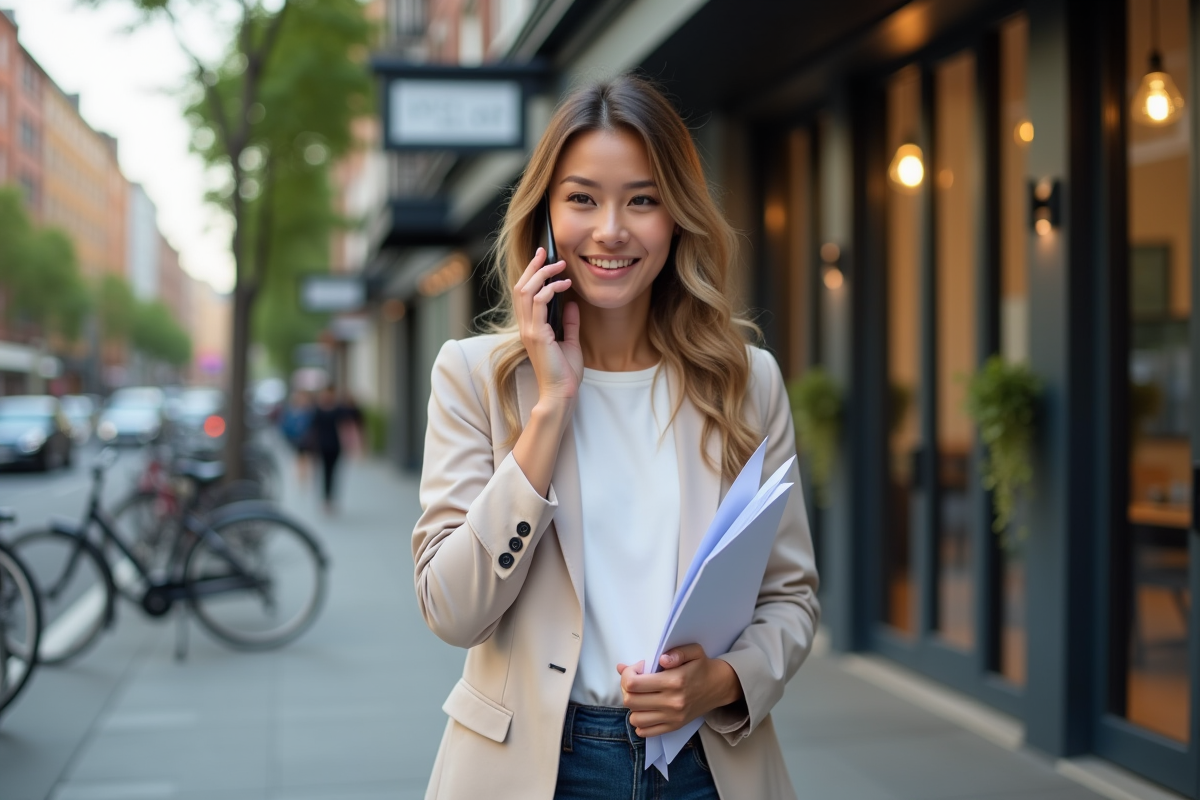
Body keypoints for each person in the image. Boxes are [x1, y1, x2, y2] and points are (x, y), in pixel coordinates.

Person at [412, 74, 819, 800]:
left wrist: (722, 680)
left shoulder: (745, 381)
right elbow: (452, 609)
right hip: (536, 768)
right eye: (581, 198)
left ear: (677, 216)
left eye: (643, 198)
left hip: (705, 763)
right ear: (544, 216)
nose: (610, 230)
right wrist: (550, 412)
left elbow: (791, 596)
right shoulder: (475, 376)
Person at [307, 386, 343, 513]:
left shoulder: (338, 409)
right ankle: (326, 499)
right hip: (322, 446)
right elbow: (313, 428)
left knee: (333, 473)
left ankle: (331, 498)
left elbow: (344, 426)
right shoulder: (318, 410)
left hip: (335, 446)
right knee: (325, 473)